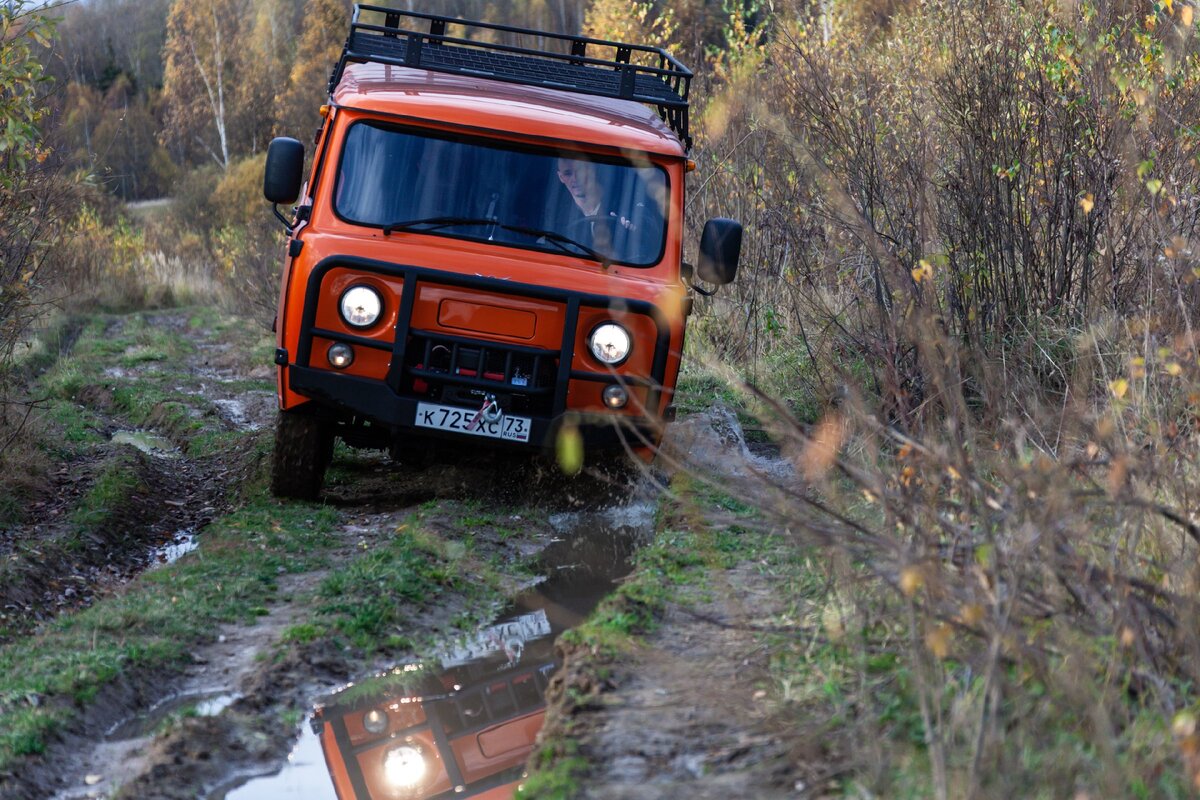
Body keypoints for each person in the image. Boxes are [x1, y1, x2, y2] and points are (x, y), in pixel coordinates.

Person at [555, 156, 640, 254]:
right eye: (568, 173)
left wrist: (633, 229)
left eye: (580, 171)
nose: (575, 178)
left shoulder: (623, 204)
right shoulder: (559, 216)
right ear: (561, 177)